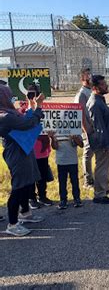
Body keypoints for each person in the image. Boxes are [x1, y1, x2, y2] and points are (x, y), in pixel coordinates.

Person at [0, 85, 44, 236]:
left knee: (27, 182)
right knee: (18, 187)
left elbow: (25, 120)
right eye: (8, 95)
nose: (10, 98)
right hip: (16, 153)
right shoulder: (4, 116)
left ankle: (25, 213)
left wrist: (32, 108)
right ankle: (12, 224)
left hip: (23, 149)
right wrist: (38, 107)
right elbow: (27, 124)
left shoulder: (9, 113)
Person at [86, 75, 109, 204]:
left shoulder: (99, 100)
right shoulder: (95, 103)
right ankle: (99, 194)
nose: (106, 86)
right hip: (102, 142)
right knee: (101, 168)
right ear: (95, 88)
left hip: (106, 140)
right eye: (103, 84)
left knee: (105, 167)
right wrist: (104, 144)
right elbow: (98, 127)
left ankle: (105, 188)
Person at [50, 132, 84, 209]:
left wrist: (74, 138)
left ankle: (77, 199)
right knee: (62, 182)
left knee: (75, 181)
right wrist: (52, 138)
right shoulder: (55, 132)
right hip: (61, 161)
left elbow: (81, 145)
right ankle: (63, 200)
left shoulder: (75, 130)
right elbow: (54, 147)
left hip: (72, 161)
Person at [74, 68, 94, 188]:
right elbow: (79, 114)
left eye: (90, 75)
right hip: (87, 130)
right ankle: (88, 181)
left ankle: (95, 179)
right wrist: (86, 131)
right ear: (82, 79)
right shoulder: (81, 94)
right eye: (87, 76)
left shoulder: (91, 91)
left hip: (95, 128)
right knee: (88, 154)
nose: (90, 78)